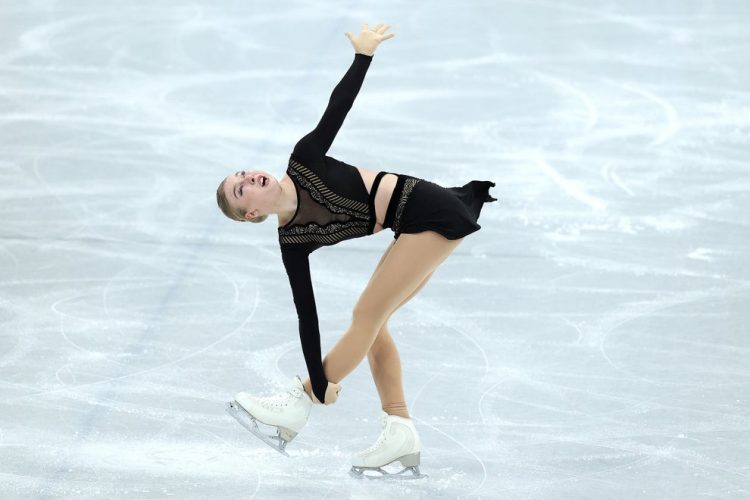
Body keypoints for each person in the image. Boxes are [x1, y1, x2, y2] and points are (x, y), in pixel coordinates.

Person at [216, 22, 497, 478]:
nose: (250, 178)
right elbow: (306, 316)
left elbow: (337, 107)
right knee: (374, 322)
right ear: (251, 215)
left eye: (244, 174)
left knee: (367, 315)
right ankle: (399, 429)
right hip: (413, 226)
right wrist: (324, 377)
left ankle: (298, 405)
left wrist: (363, 55)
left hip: (430, 210)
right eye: (241, 190)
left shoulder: (303, 160)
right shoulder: (293, 241)